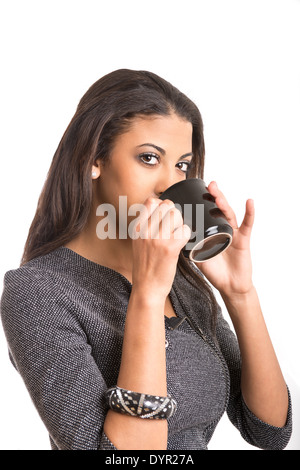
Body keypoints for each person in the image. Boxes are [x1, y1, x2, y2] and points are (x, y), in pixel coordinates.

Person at [0, 69, 292, 450]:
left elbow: (269, 431)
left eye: (182, 166)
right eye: (149, 158)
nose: (168, 186)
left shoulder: (184, 282)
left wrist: (241, 294)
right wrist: (148, 294)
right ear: (94, 160)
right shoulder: (37, 292)